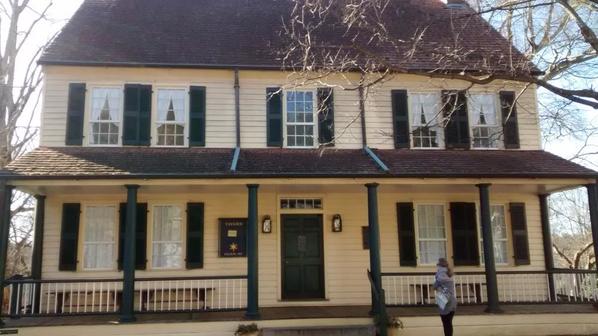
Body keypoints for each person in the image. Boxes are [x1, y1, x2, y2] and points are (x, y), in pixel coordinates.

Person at [434, 258, 457, 336]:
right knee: (449, 323)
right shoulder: (449, 273)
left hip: (444, 300)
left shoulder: (439, 274)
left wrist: (436, 286)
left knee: (445, 323)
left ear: (439, 265)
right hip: (452, 301)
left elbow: (435, 286)